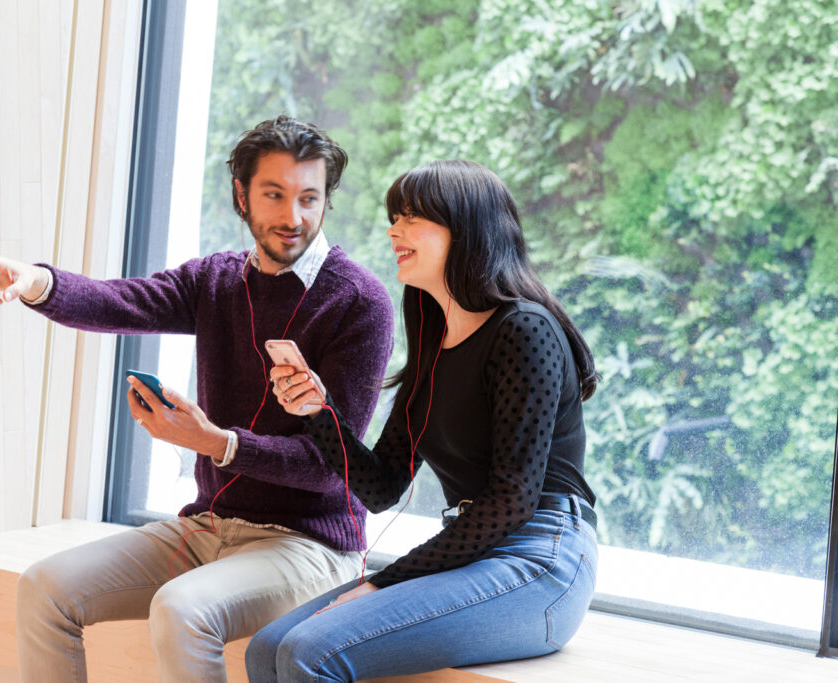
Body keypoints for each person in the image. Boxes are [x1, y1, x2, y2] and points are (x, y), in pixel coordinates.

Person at [0, 116, 394, 682]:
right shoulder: (217, 281)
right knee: (43, 589)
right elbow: (118, 302)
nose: (294, 217)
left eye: (310, 198)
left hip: (310, 546)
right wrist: (33, 280)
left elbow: (333, 472)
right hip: (209, 527)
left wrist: (216, 443)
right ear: (242, 195)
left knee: (181, 609)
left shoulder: (359, 301)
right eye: (274, 195)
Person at [247, 160, 601, 681]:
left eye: (412, 217)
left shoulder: (525, 330)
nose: (394, 230)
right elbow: (383, 485)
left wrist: (385, 581)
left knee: (308, 651)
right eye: (395, 217)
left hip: (542, 557)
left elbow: (513, 500)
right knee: (267, 648)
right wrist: (317, 413)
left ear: (467, 229)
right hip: (478, 549)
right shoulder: (434, 344)